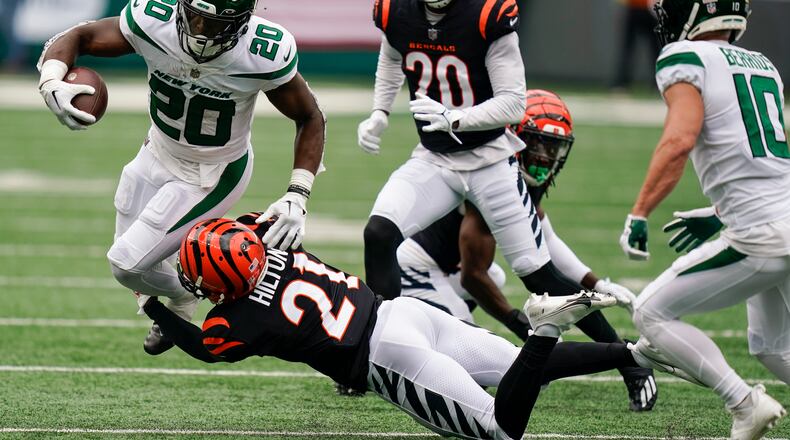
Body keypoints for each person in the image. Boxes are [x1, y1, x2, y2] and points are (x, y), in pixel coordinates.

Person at [142, 213, 672, 440]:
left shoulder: (240, 319)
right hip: (407, 312)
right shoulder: (272, 240)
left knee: (500, 428)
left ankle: (545, 329)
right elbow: (250, 224)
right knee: (519, 370)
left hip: (386, 357)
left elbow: (204, 345)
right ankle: (636, 353)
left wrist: (156, 308)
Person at [36, 0, 325, 354]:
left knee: (125, 265)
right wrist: (51, 80)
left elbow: (310, 116)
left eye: (215, 24)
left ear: (242, 22)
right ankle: (183, 297)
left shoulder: (262, 53)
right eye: (195, 17)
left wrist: (298, 192)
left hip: (211, 175)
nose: (201, 31)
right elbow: (79, 35)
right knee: (136, 264)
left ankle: (192, 292)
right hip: (154, 152)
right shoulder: (152, 21)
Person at [397, 90, 657, 411]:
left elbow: (545, 238)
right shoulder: (491, 176)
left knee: (496, 278)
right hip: (417, 269)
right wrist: (521, 325)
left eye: (553, 146)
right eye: (538, 143)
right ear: (516, 138)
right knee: (473, 361)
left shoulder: (517, 175)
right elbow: (472, 277)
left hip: (449, 267)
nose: (546, 155)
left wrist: (598, 284)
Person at [619, 0, 788, 437]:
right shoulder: (762, 64)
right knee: (772, 346)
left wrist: (640, 211)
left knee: (651, 313)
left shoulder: (685, 56)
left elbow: (679, 140)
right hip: (779, 216)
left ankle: (744, 403)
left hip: (760, 232)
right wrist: (718, 212)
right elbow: (765, 159)